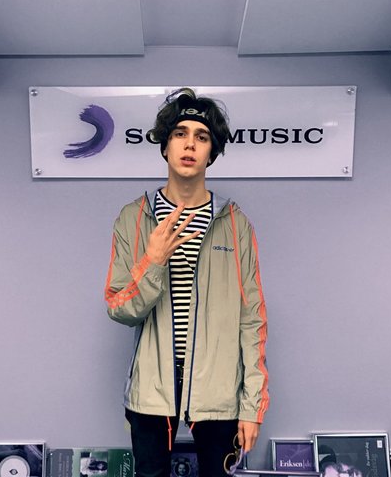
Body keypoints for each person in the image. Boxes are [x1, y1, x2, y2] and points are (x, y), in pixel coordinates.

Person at [104, 87, 269, 477]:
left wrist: (252, 406)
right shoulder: (134, 217)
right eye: (180, 134)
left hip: (218, 391)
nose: (190, 144)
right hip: (151, 391)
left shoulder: (235, 224)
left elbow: (252, 319)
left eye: (202, 136)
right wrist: (153, 261)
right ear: (165, 146)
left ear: (212, 152)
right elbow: (119, 308)